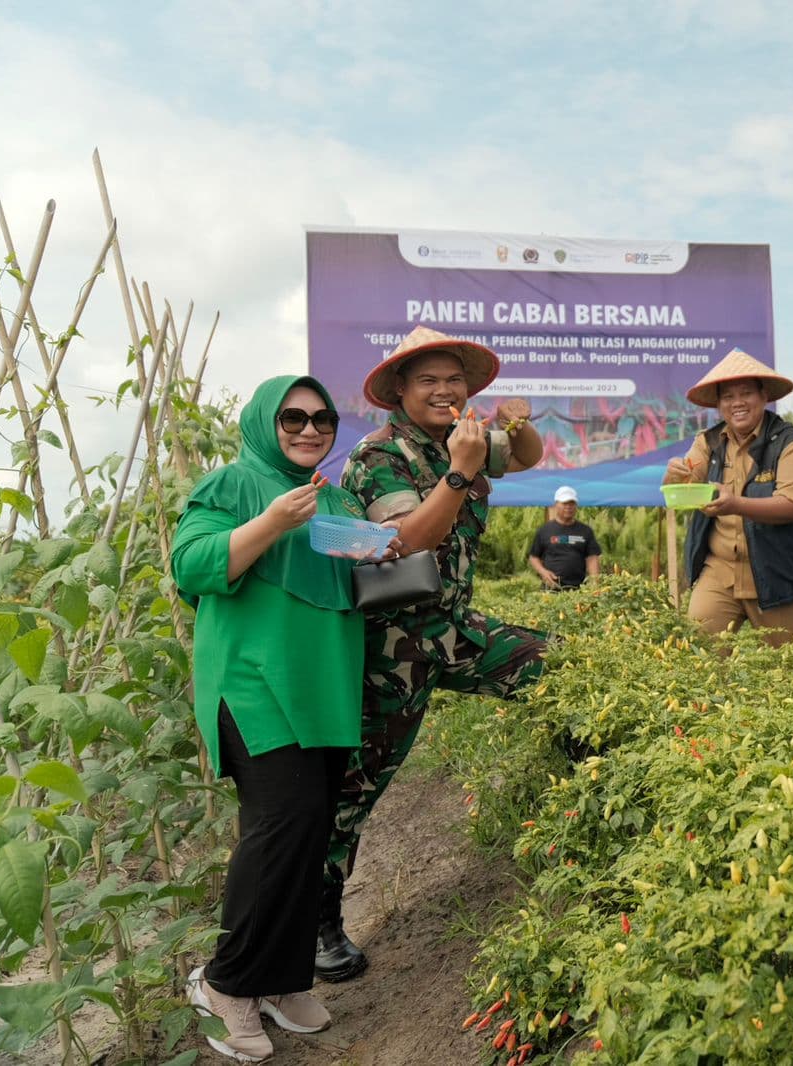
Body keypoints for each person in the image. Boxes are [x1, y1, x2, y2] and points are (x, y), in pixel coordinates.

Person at [319, 326, 548, 981]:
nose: (444, 390)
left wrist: (519, 424)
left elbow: (525, 457)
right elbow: (405, 541)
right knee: (355, 790)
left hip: (454, 629)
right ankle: (318, 924)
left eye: (454, 379)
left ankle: (582, 785)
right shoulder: (380, 456)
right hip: (393, 648)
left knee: (556, 667)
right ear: (400, 390)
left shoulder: (463, 436)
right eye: (428, 380)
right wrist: (459, 473)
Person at [172, 375, 371, 1060]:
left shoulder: (331, 498)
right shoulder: (231, 485)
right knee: (282, 824)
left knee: (309, 832)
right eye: (293, 417)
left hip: (322, 689)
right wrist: (271, 522)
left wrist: (378, 549)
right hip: (253, 685)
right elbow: (191, 565)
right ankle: (226, 983)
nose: (310, 429)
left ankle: (280, 981)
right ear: (265, 421)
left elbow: (351, 576)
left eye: (322, 418)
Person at [663, 348, 793, 646]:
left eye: (746, 393)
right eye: (728, 396)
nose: (737, 403)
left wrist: (735, 504)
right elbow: (685, 487)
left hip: (780, 571)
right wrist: (674, 475)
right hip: (720, 569)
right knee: (698, 652)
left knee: (787, 665)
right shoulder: (708, 441)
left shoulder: (791, 443)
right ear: (719, 404)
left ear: (763, 396)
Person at [529, 485, 602, 590]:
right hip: (551, 589)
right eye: (564, 503)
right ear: (556, 505)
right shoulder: (544, 530)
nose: (568, 507)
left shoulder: (585, 531)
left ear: (576, 506)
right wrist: (543, 572)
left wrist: (595, 583)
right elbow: (534, 557)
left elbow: (592, 557)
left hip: (578, 590)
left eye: (572, 503)